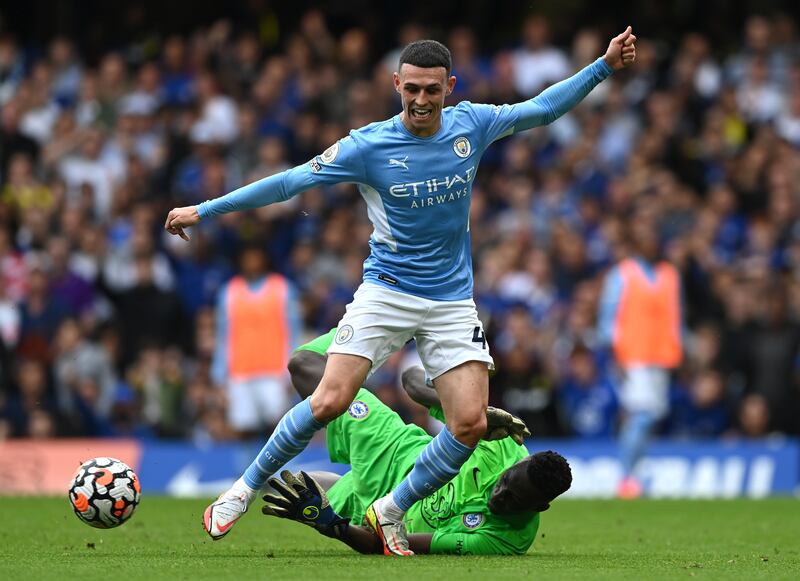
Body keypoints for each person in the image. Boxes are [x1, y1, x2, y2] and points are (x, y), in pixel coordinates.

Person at [166, 28, 636, 555]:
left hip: (452, 301)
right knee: (329, 400)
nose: (421, 100)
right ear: (396, 84)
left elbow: (543, 108)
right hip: (387, 291)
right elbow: (288, 183)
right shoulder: (368, 145)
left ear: (449, 87)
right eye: (411, 88)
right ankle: (240, 491)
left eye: (432, 90)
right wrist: (203, 211)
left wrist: (602, 66)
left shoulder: (471, 125)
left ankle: (389, 512)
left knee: (469, 424)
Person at [263, 328, 570, 555]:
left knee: (298, 489)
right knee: (303, 364)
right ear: (516, 464)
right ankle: (374, 326)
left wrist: (331, 525)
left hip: (376, 511)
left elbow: (389, 544)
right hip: (392, 448)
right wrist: (474, 413)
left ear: (540, 507)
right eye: (504, 483)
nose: (499, 496)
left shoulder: (505, 540)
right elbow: (411, 379)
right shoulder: (501, 440)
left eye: (513, 500)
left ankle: (326, 490)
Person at [598, 206, 684, 498]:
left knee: (652, 414)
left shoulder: (670, 274)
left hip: (661, 357)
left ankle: (634, 474)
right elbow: (608, 319)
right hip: (632, 356)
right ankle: (627, 477)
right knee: (642, 414)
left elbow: (675, 316)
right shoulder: (622, 274)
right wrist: (614, 353)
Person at [211, 244, 300, 437]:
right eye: (247, 257)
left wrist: (292, 371)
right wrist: (219, 375)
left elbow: (294, 332)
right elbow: (222, 336)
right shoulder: (228, 293)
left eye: (256, 256)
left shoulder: (283, 289)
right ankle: (246, 468)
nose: (252, 262)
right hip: (240, 373)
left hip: (274, 372)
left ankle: (279, 468)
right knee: (243, 430)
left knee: (278, 428)